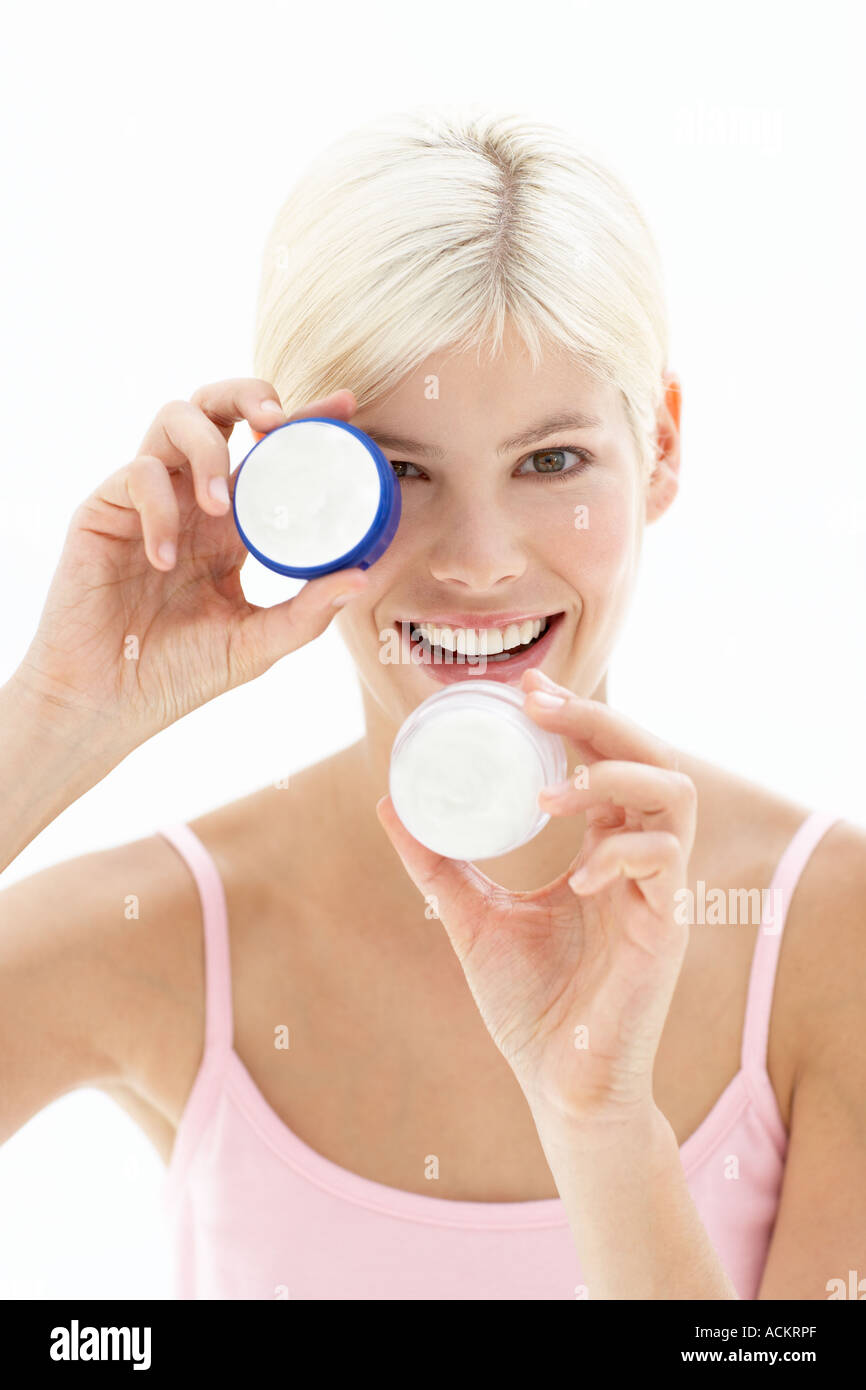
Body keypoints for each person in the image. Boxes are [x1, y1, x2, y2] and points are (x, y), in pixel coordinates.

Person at [1, 108, 863, 1301]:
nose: (476, 561)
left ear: (657, 448)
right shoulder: (160, 926)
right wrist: (55, 713)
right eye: (398, 471)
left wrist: (602, 1126)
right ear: (279, 493)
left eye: (550, 461)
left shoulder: (835, 936)